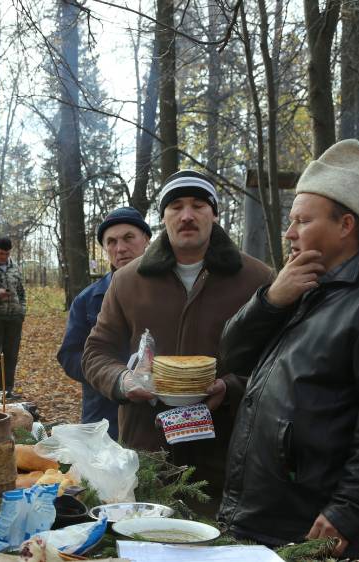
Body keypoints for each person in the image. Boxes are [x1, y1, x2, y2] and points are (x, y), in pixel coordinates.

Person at [217, 140, 359, 561]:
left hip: (313, 526)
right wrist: (270, 301)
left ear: (346, 225)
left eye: (301, 221)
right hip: (258, 514)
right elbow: (231, 355)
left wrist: (349, 512)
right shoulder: (301, 285)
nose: (290, 232)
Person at [82, 171, 273, 514]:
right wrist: (122, 381)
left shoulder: (257, 279)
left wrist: (229, 387)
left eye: (198, 205)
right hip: (147, 447)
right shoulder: (128, 280)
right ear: (163, 217)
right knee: (145, 540)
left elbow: (276, 361)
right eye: (176, 206)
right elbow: (96, 351)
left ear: (214, 214)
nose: (187, 215)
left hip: (225, 448)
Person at [57, 207, 151, 438]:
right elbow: (69, 355)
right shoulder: (88, 300)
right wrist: (113, 373)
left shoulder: (168, 291)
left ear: (146, 239)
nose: (120, 248)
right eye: (111, 241)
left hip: (157, 417)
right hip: (103, 416)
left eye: (129, 237)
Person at [0, 237, 27, 399]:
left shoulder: (15, 267)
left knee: (11, 355)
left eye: (7, 254)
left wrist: (22, 311)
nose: (4, 257)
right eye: (1, 254)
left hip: (14, 318)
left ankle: (7, 389)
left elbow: (21, 292)